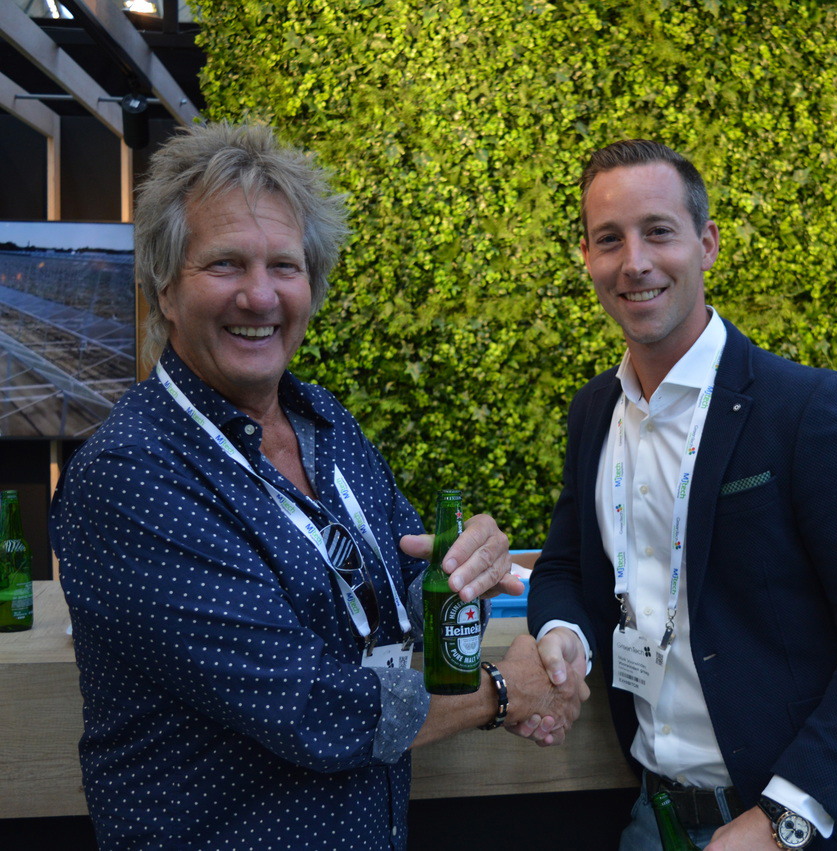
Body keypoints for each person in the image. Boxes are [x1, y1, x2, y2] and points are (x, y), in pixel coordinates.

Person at [49, 122, 585, 850]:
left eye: (285, 265)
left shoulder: (324, 423)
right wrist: (503, 692)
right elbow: (311, 707)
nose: (259, 295)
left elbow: (406, 585)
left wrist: (466, 566)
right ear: (165, 289)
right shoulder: (133, 475)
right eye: (225, 264)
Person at [524, 140, 837, 850]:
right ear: (587, 257)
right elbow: (564, 565)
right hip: (655, 819)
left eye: (659, 231)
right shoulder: (594, 411)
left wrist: (782, 819)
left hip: (801, 829)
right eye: (609, 239)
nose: (635, 262)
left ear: (707, 243)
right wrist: (564, 634)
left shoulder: (807, 409)